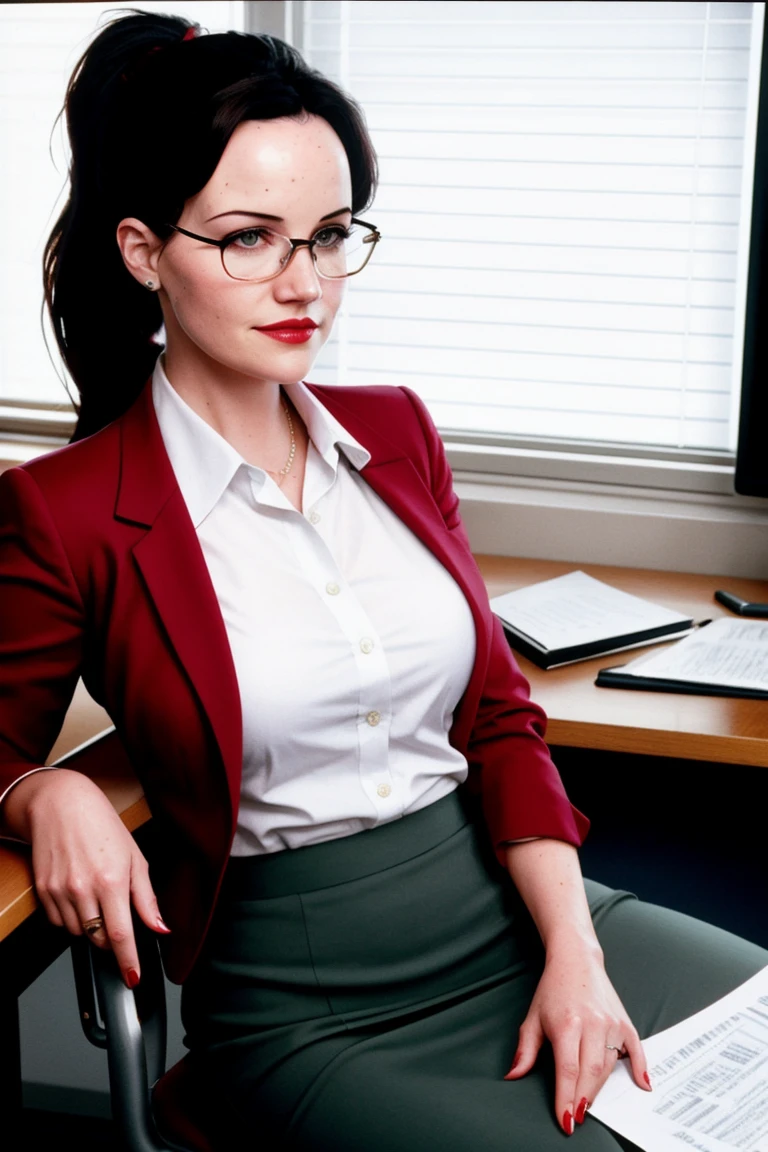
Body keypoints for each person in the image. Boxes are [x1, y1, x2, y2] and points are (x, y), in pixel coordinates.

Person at [0, 11, 764, 1151]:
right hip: (305, 1008)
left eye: (328, 235)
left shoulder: (396, 433)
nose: (302, 282)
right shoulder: (64, 510)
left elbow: (502, 717)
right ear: (143, 250)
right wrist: (39, 792)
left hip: (520, 913)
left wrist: (576, 954)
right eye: (251, 238)